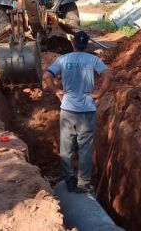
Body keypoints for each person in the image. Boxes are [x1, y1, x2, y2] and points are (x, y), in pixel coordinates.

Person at [42, 31, 113, 193]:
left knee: (66, 148)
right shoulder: (93, 60)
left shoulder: (63, 59)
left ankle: (69, 180)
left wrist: (56, 91)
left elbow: (46, 76)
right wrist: (99, 94)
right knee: (85, 149)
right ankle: (84, 184)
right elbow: (109, 76)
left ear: (73, 43)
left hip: (68, 109)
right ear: (87, 45)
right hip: (87, 110)